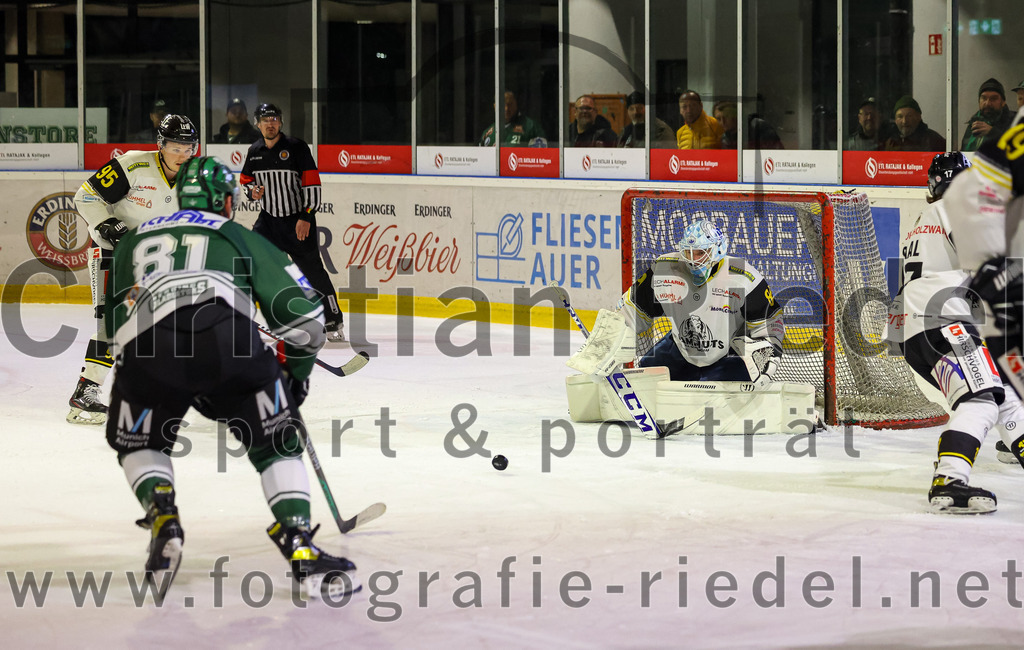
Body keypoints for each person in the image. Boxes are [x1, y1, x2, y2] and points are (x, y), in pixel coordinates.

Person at [103, 155, 359, 600]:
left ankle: (162, 514)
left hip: (145, 350)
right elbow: (307, 322)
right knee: (276, 440)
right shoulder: (235, 233)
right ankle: (298, 542)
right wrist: (291, 381)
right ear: (225, 200)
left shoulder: (133, 239)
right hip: (227, 345)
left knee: (139, 441)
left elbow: (113, 321)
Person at [886, 152, 1024, 514]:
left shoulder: (923, 218)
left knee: (1003, 392)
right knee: (980, 397)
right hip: (941, 317)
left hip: (915, 324)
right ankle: (948, 480)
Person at [67, 114, 199, 425]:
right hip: (113, 252)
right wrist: (108, 224)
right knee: (112, 323)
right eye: (175, 147)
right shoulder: (134, 165)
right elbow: (85, 196)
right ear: (161, 144)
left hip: (154, 259)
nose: (182, 154)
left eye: (188, 148)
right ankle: (85, 393)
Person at [567, 219, 783, 389]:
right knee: (643, 378)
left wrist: (768, 357)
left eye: (700, 252)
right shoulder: (665, 270)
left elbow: (769, 325)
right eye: (688, 252)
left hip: (729, 354)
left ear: (717, 250)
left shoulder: (744, 277)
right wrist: (606, 348)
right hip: (681, 348)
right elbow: (631, 312)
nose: (692, 259)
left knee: (715, 393)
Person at [241, 103, 345, 342]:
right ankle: (240, 315)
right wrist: (252, 192)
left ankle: (333, 319)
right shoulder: (255, 151)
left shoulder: (296, 148)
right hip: (268, 222)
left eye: (274, 119)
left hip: (297, 221)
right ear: (257, 124)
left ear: (281, 122)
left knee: (313, 273)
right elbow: (246, 180)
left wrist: (306, 217)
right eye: (265, 120)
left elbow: (312, 185)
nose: (270, 123)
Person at [961, 78, 1014, 152]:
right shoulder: (973, 123)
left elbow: (1018, 152)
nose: (987, 103)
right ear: (979, 101)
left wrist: (993, 133)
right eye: (984, 98)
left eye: (993, 98)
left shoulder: (1015, 121)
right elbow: (964, 153)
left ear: (1003, 102)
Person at [478, 90, 546, 146]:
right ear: (495, 106)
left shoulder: (530, 127)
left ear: (516, 104)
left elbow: (542, 155)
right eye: (502, 104)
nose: (506, 109)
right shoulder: (488, 133)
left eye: (510, 104)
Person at [881, 95, 945, 152]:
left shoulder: (933, 141)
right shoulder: (890, 141)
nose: (904, 121)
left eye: (909, 116)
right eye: (900, 117)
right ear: (895, 120)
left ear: (919, 117)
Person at [714, 101, 785, 150]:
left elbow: (777, 153)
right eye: (719, 119)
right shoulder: (725, 138)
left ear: (736, 115)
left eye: (727, 116)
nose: (723, 122)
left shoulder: (758, 127)